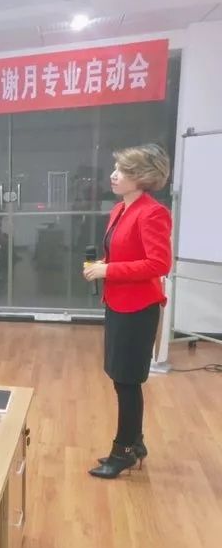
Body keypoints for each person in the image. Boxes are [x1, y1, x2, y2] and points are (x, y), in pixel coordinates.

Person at [83, 144, 172, 479]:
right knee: (122, 378)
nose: (113, 175)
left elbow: (158, 264)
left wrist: (109, 270)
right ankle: (136, 442)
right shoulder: (120, 209)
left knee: (128, 380)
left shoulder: (153, 213)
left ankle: (122, 452)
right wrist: (105, 264)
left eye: (122, 171)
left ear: (142, 177)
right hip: (118, 302)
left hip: (138, 307)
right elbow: (124, 253)